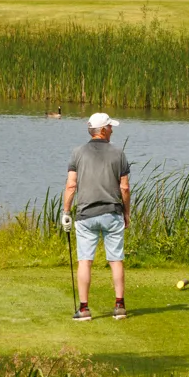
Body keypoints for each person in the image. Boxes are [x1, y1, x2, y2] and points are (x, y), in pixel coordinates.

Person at [61, 111, 131, 321]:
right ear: (102, 130)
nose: (112, 130)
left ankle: (83, 309)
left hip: (85, 214)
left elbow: (71, 185)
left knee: (85, 261)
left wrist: (66, 212)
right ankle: (119, 306)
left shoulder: (77, 153)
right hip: (112, 213)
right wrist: (127, 213)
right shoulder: (119, 154)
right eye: (110, 127)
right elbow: (125, 188)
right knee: (116, 259)